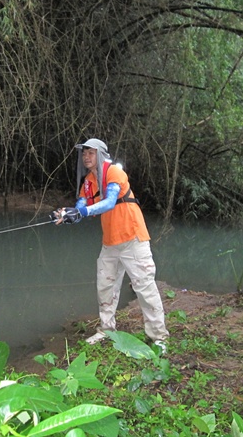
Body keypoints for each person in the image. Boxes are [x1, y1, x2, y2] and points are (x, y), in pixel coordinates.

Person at [53, 138, 169, 353]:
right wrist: (67, 215)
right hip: (110, 243)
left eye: (91, 152)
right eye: (84, 153)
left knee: (145, 287)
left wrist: (81, 212)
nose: (86, 157)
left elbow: (109, 201)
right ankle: (106, 330)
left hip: (133, 238)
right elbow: (81, 206)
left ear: (101, 154)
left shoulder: (114, 172)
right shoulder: (88, 182)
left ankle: (158, 336)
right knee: (105, 287)